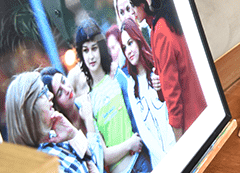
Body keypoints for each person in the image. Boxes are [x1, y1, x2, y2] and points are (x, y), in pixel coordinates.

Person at [126, 0, 206, 139]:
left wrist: (180, 140)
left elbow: (173, 95)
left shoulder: (160, 30)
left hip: (191, 121)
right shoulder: (173, 16)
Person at [75, 19, 151, 173]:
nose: (91, 56)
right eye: (85, 50)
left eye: (94, 48)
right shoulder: (87, 101)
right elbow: (102, 156)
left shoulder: (118, 77)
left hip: (142, 163)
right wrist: (129, 144)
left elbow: (139, 119)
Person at [6, 71, 104, 173]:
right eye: (43, 92)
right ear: (30, 109)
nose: (50, 95)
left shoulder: (54, 136)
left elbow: (95, 161)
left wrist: (73, 134)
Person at [120, 17, 176, 166]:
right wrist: (164, 158)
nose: (128, 51)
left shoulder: (156, 68)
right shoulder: (131, 85)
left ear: (138, 39)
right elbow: (144, 131)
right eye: (124, 47)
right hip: (160, 162)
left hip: (177, 145)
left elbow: (172, 107)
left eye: (130, 43)